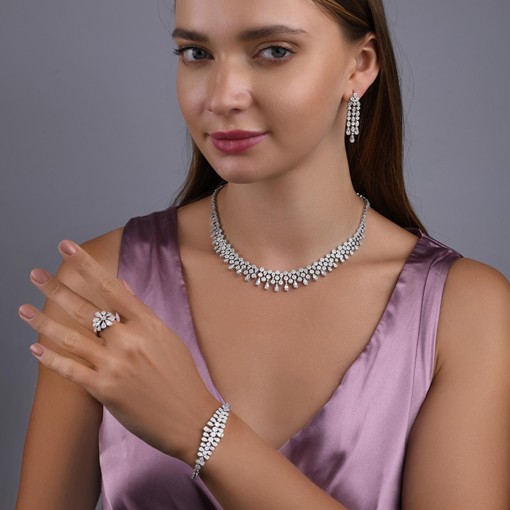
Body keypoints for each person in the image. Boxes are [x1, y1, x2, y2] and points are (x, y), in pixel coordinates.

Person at [15, 0, 510, 508]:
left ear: (359, 66)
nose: (221, 97)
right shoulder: (104, 284)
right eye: (197, 53)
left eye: (274, 51)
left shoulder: (462, 310)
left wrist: (200, 429)